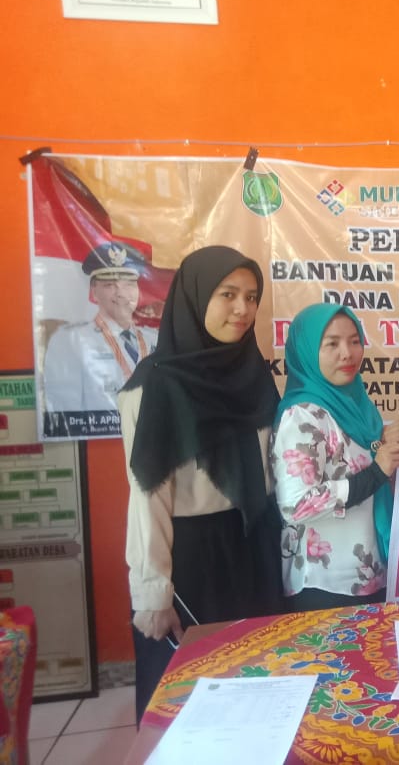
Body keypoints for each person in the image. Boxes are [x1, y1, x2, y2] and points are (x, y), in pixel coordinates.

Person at [119, 245, 284, 722]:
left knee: (262, 690)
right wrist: (153, 591)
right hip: (194, 560)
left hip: (257, 546)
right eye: (227, 294)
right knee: (192, 704)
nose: (242, 309)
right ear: (194, 297)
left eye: (251, 297)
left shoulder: (253, 374)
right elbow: (146, 495)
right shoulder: (154, 386)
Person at [271, 304, 399, 613]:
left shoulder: (358, 407)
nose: (347, 353)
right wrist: (376, 471)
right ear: (308, 351)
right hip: (324, 582)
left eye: (354, 341)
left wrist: (383, 444)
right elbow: (295, 505)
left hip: (370, 572)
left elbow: (354, 461)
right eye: (332, 344)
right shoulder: (303, 417)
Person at [44, 242, 158, 414]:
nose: (121, 293)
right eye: (110, 285)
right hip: (102, 430)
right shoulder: (70, 341)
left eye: (129, 284)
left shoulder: (155, 339)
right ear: (94, 291)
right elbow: (65, 413)